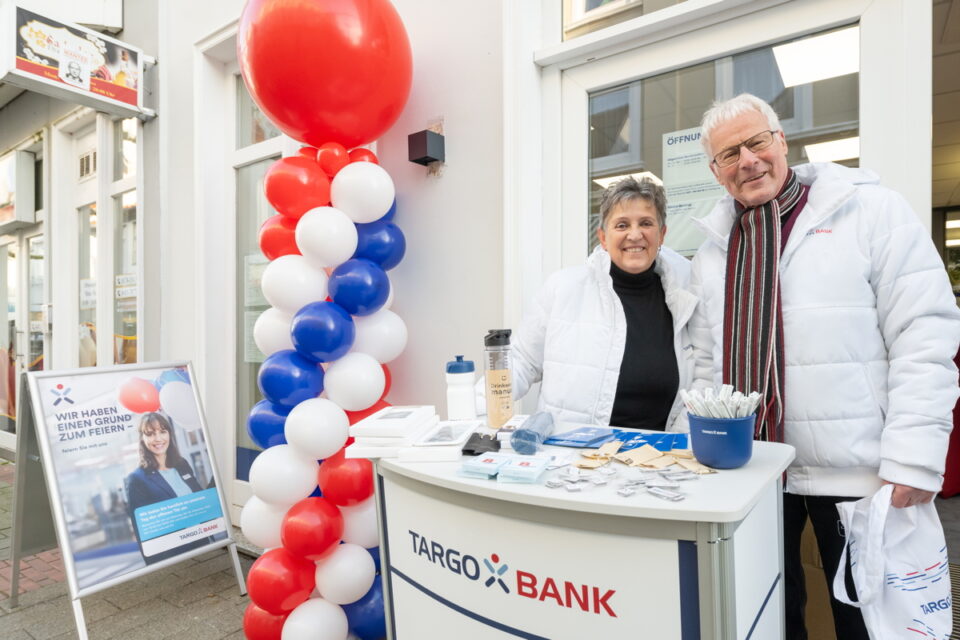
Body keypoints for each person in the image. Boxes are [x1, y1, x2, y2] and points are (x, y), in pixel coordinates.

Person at [688, 93, 960, 639]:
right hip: (753, 471)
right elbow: (704, 365)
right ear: (716, 172)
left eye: (757, 142)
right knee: (769, 616)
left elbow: (924, 334)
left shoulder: (870, 212)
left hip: (858, 473)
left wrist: (915, 455)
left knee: (866, 623)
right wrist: (700, 453)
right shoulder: (713, 252)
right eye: (729, 154)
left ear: (782, 140)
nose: (747, 160)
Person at [509, 176, 697, 430]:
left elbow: (703, 380)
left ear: (662, 234)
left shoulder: (685, 298)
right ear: (603, 238)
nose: (635, 234)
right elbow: (520, 362)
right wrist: (470, 416)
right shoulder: (563, 289)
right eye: (622, 225)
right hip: (573, 450)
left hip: (659, 451)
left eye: (646, 223)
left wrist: (679, 440)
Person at [125, 412, 204, 564]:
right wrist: (157, 565)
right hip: (174, 554)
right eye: (150, 434)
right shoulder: (137, 479)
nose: (158, 438)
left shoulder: (181, 464)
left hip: (202, 540)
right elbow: (143, 530)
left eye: (162, 431)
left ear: (169, 434)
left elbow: (199, 498)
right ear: (142, 439)